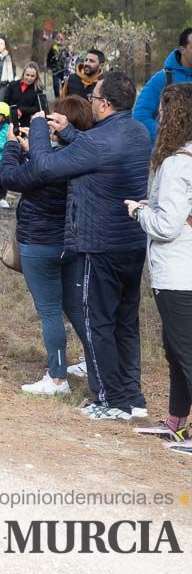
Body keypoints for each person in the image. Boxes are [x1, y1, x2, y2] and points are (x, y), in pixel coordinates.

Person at [15, 72, 151, 421]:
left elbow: (44, 166)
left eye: (94, 97)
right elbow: (99, 151)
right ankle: (132, 397)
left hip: (99, 245)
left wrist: (41, 129)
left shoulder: (95, 143)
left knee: (97, 323)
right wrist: (70, 131)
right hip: (132, 243)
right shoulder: (137, 132)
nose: (90, 101)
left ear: (105, 104)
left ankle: (109, 400)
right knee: (125, 322)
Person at [0, 96, 98, 396]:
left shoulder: (46, 164)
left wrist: (13, 146)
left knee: (50, 312)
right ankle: (97, 366)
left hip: (39, 244)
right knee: (76, 309)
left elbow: (7, 177)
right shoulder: (85, 157)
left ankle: (57, 378)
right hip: (71, 243)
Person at [126, 83, 192, 447]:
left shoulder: (175, 165)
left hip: (178, 272)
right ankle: (177, 422)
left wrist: (140, 211)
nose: (159, 117)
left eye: (164, 111)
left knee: (185, 352)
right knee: (176, 350)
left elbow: (166, 227)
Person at [133, 28, 192, 141]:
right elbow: (140, 115)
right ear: (182, 49)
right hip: (171, 154)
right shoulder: (163, 79)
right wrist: (167, 138)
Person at [6, 62, 47, 130]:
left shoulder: (38, 89)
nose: (29, 78)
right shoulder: (12, 85)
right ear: (23, 74)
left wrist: (22, 110)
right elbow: (5, 102)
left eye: (32, 76)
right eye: (27, 75)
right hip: (10, 120)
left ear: (36, 77)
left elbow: (37, 108)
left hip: (27, 122)